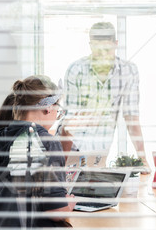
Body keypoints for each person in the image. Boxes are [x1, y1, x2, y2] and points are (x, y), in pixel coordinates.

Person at [0, 75, 76, 230]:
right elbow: (55, 211)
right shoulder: (45, 141)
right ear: (47, 107)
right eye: (57, 109)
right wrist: (69, 203)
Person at [63, 21, 149, 168]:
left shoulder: (128, 71)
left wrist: (143, 159)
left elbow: (131, 117)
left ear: (115, 44)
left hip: (101, 149)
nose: (102, 54)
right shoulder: (76, 69)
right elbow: (69, 121)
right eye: (97, 49)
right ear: (90, 45)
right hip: (73, 147)